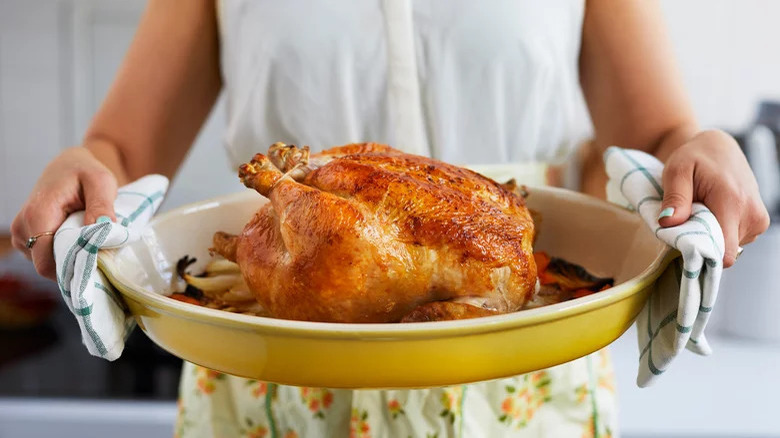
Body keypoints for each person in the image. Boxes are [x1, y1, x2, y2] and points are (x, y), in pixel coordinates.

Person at [10, 0, 769, 436]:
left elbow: (656, 138)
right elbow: (121, 153)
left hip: (521, 374)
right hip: (278, 374)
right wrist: (88, 170)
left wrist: (692, 149)